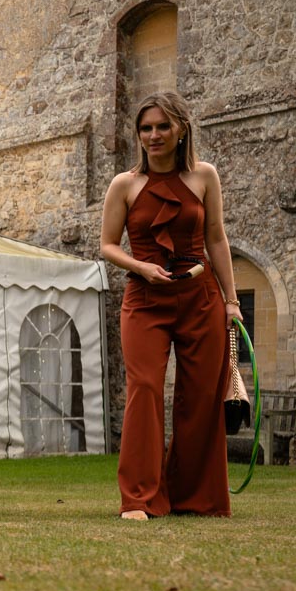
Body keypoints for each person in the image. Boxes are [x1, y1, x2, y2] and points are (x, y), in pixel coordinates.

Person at [100, 91, 238, 519]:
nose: (154, 135)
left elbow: (216, 238)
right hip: (144, 300)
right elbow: (107, 245)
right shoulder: (124, 184)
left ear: (182, 129)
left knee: (201, 396)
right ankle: (139, 498)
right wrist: (140, 266)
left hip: (202, 298)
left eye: (163, 126)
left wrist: (232, 301)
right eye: (146, 128)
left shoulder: (204, 176)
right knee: (144, 389)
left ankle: (193, 497)